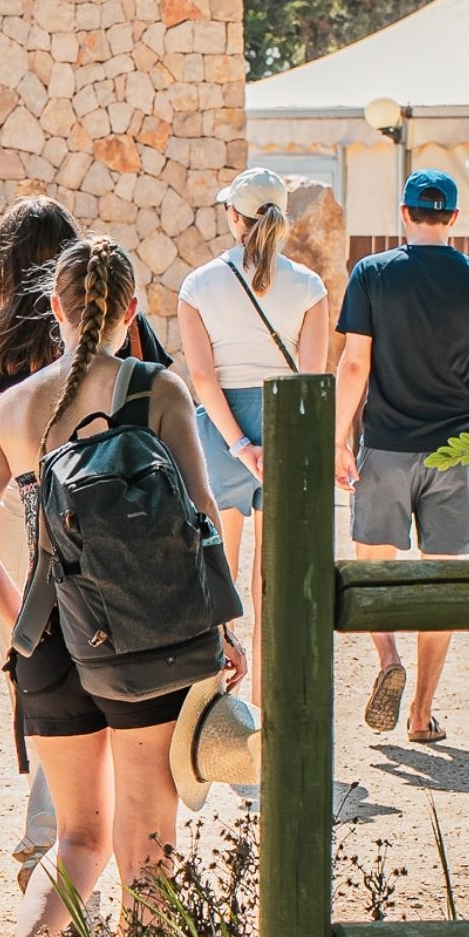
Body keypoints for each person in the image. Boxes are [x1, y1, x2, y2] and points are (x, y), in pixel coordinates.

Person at [0, 235, 245, 937]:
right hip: (148, 639)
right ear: (132, 311)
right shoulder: (158, 390)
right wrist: (226, 629)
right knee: (148, 841)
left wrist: (25, 623)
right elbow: (205, 519)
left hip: (52, 638)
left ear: (56, 307)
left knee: (78, 836)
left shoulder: (15, 405)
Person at [0, 195, 173, 890]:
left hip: (19, 529)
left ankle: (49, 839)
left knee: (47, 681)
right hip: (116, 531)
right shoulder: (130, 341)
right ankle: (62, 838)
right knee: (111, 688)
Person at [334, 169, 469, 744]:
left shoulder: (372, 274)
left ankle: (388, 657)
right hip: (457, 451)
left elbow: (355, 365)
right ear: (454, 219)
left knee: (373, 570)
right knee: (440, 582)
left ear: (405, 213)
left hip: (386, 448)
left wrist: (339, 437)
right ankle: (420, 714)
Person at [178, 168, 331, 704]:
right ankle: (268, 706)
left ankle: (219, 703)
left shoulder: (198, 285)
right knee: (272, 585)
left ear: (234, 218)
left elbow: (201, 378)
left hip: (222, 436)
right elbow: (312, 383)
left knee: (218, 577)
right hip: (284, 434)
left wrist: (240, 446)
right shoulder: (310, 288)